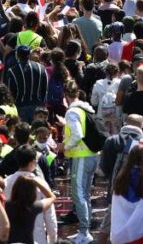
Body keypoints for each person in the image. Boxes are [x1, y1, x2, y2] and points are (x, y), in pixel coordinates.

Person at [63, 82, 100, 244]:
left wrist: (64, 146)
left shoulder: (72, 112)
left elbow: (77, 135)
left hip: (82, 156)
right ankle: (86, 229)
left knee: (78, 194)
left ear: (66, 96)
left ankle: (84, 232)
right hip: (92, 155)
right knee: (85, 193)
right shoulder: (85, 109)